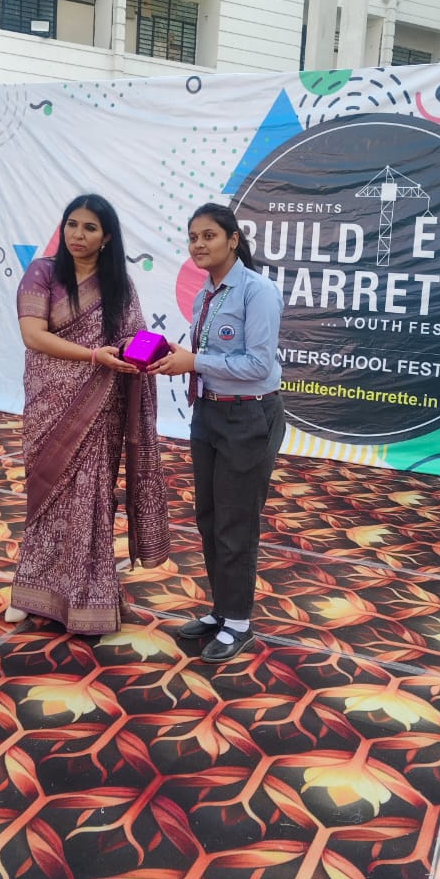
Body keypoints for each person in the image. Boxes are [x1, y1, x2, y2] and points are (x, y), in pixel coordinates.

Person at [10, 194, 169, 633]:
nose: (77, 235)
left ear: (107, 237)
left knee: (93, 501)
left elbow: (134, 337)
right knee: (47, 497)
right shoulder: (42, 273)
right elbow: (33, 336)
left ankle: (89, 595)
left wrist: (141, 350)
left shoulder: (119, 284)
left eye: (89, 228)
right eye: (72, 224)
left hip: (103, 407)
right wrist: (94, 355)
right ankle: (31, 588)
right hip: (50, 405)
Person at [150, 203, 284, 663]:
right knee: (209, 518)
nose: (199, 245)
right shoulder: (205, 294)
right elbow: (209, 355)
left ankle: (240, 624)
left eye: (209, 236)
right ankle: (223, 611)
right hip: (208, 412)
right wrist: (179, 356)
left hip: (249, 416)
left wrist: (195, 361)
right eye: (193, 237)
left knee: (236, 521)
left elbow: (258, 365)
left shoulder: (257, 291)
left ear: (233, 239)